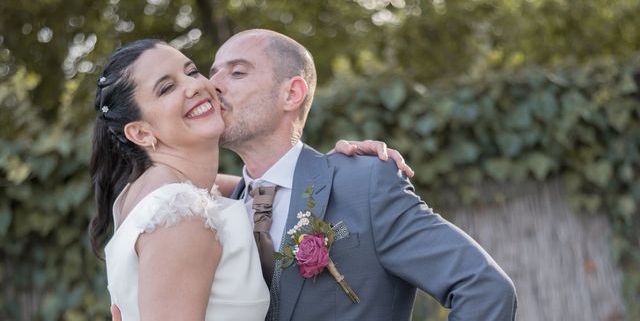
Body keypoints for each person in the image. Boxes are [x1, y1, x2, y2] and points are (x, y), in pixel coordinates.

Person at [208, 29, 517, 320]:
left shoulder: (363, 183)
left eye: (237, 72)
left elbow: (483, 288)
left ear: (291, 93)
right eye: (213, 74)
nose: (213, 86)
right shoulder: (220, 209)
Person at [90, 39, 410, 320]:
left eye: (190, 71)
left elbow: (267, 181)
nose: (196, 86)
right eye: (167, 88)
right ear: (141, 132)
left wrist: (331, 168)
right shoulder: (182, 214)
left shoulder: (153, 191)